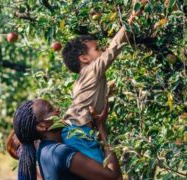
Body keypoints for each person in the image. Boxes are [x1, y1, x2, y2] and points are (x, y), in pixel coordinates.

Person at [61, 3, 146, 164]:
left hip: (74, 130)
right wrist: (133, 16)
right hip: (80, 131)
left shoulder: (82, 79)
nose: (102, 50)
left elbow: (92, 95)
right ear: (84, 58)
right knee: (102, 172)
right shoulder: (92, 69)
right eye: (97, 48)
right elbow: (113, 48)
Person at [12, 98, 122, 180]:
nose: (58, 109)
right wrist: (101, 126)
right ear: (42, 126)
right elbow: (113, 177)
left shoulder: (44, 152)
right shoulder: (59, 153)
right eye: (51, 109)